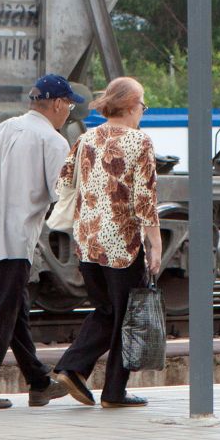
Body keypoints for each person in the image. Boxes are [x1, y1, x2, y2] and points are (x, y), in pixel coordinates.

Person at [0, 73, 85, 410]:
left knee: (13, 310)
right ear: (57, 104)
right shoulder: (52, 141)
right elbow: (62, 194)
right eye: (68, 104)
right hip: (14, 241)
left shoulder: (3, 129)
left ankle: (39, 382)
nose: (68, 111)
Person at [54, 76, 162, 408]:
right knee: (126, 315)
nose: (143, 110)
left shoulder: (86, 139)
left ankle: (73, 368)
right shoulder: (139, 141)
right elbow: (144, 199)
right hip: (122, 246)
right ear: (130, 106)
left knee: (107, 310)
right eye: (142, 104)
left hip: (88, 242)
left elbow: (64, 182)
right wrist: (155, 244)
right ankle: (113, 391)